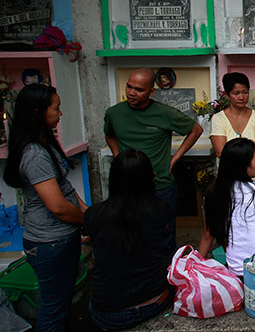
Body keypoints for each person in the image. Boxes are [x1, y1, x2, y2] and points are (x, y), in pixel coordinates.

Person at [3, 84, 87, 332]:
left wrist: (88, 213)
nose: (60, 113)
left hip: (62, 237)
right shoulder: (34, 154)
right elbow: (58, 206)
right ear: (38, 112)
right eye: (56, 108)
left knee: (61, 305)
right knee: (53, 310)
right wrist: (86, 219)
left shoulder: (46, 143)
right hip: (49, 243)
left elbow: (66, 188)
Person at [104, 68, 203, 252]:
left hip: (160, 186)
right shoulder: (114, 113)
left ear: (151, 92)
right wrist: (118, 156)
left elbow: (195, 130)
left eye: (139, 89)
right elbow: (109, 134)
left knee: (163, 237)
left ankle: (166, 276)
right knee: (128, 237)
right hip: (126, 187)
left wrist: (175, 159)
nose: (132, 93)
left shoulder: (165, 113)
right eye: (129, 87)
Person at [85, 150, 173, 331]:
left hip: (107, 313)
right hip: (153, 300)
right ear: (149, 178)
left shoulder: (94, 214)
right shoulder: (161, 210)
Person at [198, 138, 255, 277]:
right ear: (244, 167)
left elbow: (207, 236)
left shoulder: (215, 193)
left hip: (236, 272)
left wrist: (195, 268)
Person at [210, 72, 255, 181]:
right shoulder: (218, 119)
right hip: (229, 180)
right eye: (236, 93)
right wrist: (252, 154)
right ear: (227, 95)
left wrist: (234, 154)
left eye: (245, 92)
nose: (241, 97)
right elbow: (220, 153)